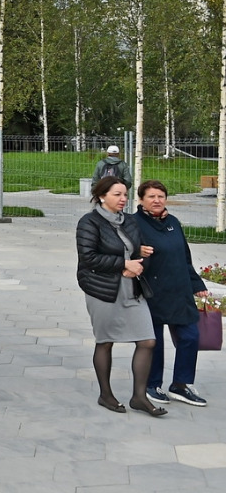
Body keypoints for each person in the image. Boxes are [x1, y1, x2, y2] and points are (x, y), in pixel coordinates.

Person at [76, 176, 163, 417]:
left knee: (147, 340)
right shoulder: (89, 222)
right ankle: (106, 394)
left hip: (132, 288)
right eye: (117, 194)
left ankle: (139, 396)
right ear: (102, 196)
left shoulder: (130, 221)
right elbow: (88, 257)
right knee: (105, 342)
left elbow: (134, 250)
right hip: (102, 290)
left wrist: (140, 254)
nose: (123, 199)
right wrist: (122, 264)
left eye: (125, 194)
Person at [136, 181, 210, 407]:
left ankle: (181, 385)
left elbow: (184, 257)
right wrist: (136, 250)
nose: (157, 200)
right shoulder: (134, 223)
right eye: (151, 196)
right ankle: (152, 384)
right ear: (141, 200)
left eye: (161, 196)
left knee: (190, 337)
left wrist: (197, 283)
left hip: (179, 290)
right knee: (154, 342)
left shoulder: (173, 222)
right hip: (152, 291)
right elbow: (122, 251)